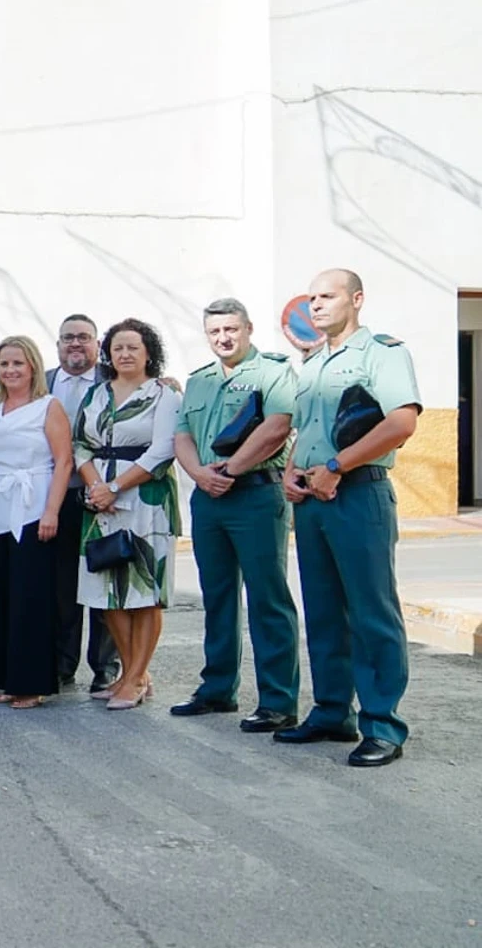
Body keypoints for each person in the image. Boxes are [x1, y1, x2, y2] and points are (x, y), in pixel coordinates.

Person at [279, 269, 420, 767]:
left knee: (371, 612)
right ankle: (332, 711)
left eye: (327, 296)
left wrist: (338, 466)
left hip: (358, 494)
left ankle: (382, 725)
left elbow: (401, 422)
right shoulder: (315, 363)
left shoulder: (381, 353)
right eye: (311, 297)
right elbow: (306, 429)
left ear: (356, 299)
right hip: (315, 500)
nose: (315, 305)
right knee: (322, 612)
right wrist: (291, 472)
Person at [170, 299, 302, 732]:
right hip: (209, 497)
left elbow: (277, 427)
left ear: (247, 328)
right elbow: (183, 434)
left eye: (231, 329)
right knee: (218, 597)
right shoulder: (200, 381)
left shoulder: (272, 372)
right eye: (215, 332)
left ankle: (278, 701)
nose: (223, 338)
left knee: (267, 599)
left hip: (255, 495)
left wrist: (230, 469)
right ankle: (217, 689)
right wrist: (199, 475)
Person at [74, 318, 182, 711]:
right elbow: (80, 444)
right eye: (118, 348)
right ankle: (130, 673)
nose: (125, 354)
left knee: (145, 593)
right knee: (108, 592)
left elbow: (161, 451)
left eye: (133, 347)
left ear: (148, 352)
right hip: (100, 501)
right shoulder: (97, 395)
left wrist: (116, 487)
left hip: (145, 500)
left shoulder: (163, 395)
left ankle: (135, 677)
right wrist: (95, 488)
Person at [0, 337, 72, 710]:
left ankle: (32, 683)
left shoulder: (49, 407)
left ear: (32, 365)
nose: (10, 370)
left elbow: (64, 461)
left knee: (30, 598)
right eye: (3, 364)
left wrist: (51, 511)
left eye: (17, 363)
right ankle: (6, 677)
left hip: (34, 505)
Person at [48, 314, 122, 692]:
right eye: (67, 338)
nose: (75, 344)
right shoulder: (41, 383)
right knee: (62, 585)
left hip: (104, 494)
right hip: (57, 497)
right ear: (57, 344)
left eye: (83, 338)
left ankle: (105, 666)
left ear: (97, 344)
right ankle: (62, 663)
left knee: (104, 578)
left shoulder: (114, 382)